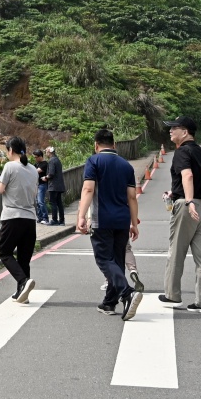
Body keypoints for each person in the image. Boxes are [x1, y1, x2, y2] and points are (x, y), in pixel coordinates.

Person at [75, 129, 141, 320]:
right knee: (117, 261)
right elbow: (132, 197)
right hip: (122, 220)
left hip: (101, 219)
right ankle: (109, 303)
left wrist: (81, 216)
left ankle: (127, 293)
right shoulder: (126, 166)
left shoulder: (93, 161)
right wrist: (134, 223)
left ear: (96, 145)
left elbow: (88, 189)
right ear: (114, 145)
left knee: (104, 259)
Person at [160, 117, 201, 314]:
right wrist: (174, 193)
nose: (170, 132)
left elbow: (188, 176)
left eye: (174, 128)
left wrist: (189, 201)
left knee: (176, 251)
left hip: (187, 207)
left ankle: (172, 295)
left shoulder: (182, 151)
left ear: (185, 132)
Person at [0, 136, 39, 303]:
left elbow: (0, 189)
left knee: (5, 252)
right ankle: (22, 293)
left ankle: (23, 282)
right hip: (30, 218)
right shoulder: (33, 169)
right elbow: (34, 193)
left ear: (10, 150)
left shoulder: (10, 166)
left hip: (12, 217)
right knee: (24, 258)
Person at [46, 146, 66, 225]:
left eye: (46, 152)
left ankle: (54, 220)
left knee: (53, 203)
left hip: (53, 186)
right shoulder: (57, 160)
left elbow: (51, 173)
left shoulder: (51, 161)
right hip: (59, 185)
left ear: (50, 152)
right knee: (59, 203)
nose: (46, 153)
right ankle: (62, 220)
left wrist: (45, 177)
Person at [33, 148, 49, 224]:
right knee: (37, 202)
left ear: (40, 156)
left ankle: (45, 218)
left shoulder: (44, 164)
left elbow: (36, 171)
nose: (35, 159)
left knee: (41, 201)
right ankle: (40, 218)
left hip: (42, 185)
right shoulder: (36, 164)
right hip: (37, 185)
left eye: (36, 157)